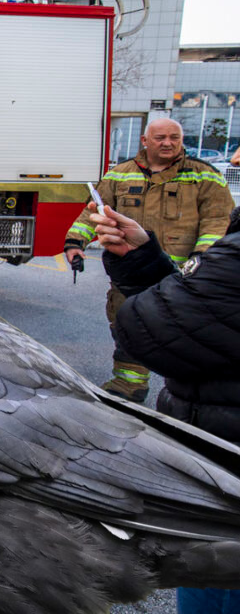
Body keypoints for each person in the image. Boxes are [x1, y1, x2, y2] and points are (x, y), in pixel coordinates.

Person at [91, 201, 240, 614]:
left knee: (215, 576)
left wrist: (158, 287)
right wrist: (143, 261)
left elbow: (155, 328)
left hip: (226, 464)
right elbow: (212, 318)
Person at [63, 117, 232, 403]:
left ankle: (183, 395)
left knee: (183, 335)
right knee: (128, 326)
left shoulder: (205, 177)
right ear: (145, 141)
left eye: (174, 137)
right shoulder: (120, 175)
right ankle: (128, 387)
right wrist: (75, 243)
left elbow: (218, 222)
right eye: (160, 137)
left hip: (183, 276)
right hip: (131, 275)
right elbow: (94, 212)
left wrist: (202, 260)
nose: (168, 143)